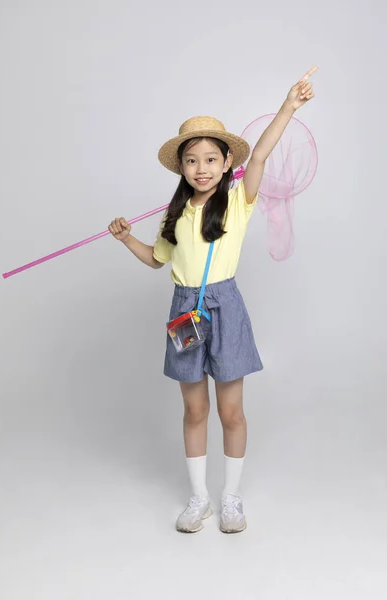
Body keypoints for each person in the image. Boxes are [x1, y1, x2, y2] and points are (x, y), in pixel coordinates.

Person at [109, 67, 317, 533]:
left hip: (226, 308)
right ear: (181, 167)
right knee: (195, 410)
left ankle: (231, 499)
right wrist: (126, 240)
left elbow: (261, 153)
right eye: (191, 160)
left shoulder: (239, 200)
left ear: (226, 164)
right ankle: (199, 498)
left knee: (231, 412)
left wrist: (288, 106)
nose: (201, 168)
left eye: (210, 159)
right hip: (185, 310)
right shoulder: (175, 213)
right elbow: (157, 259)